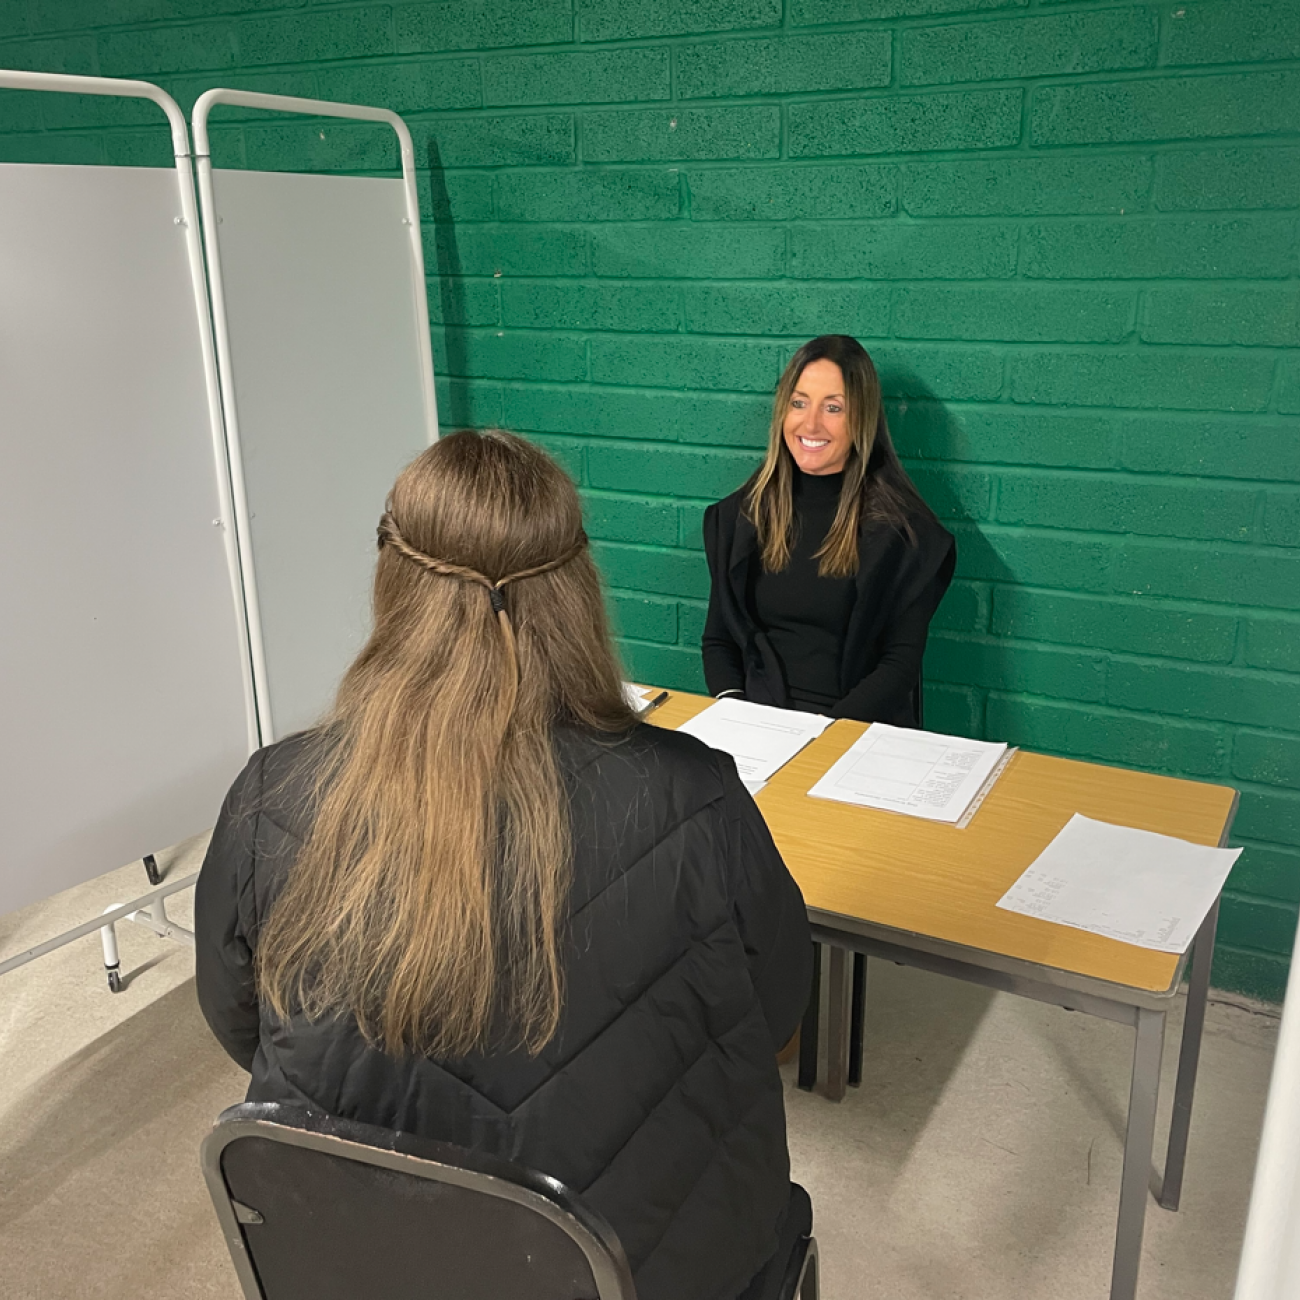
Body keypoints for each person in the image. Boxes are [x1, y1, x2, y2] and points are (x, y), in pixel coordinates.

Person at [194, 429, 813, 1300]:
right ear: (577, 588)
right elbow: (778, 1008)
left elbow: (238, 1021)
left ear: (391, 579)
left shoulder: (272, 797)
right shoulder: (696, 798)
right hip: (651, 1268)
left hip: (369, 1263)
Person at [702, 335, 955, 724]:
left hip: (856, 732)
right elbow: (719, 640)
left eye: (833, 408)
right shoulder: (741, 517)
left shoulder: (904, 535)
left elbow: (898, 666)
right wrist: (739, 719)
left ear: (862, 419)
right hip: (759, 726)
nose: (810, 423)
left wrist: (822, 738)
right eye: (799, 403)